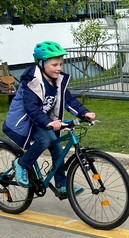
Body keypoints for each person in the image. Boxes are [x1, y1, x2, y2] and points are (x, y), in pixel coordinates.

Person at [2, 41, 96, 198]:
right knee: (44, 141)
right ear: (42, 64)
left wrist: (84, 112)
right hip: (23, 122)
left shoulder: (57, 81)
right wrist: (48, 122)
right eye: (54, 64)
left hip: (41, 120)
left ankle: (61, 185)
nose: (59, 68)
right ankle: (21, 164)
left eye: (61, 64)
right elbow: (31, 108)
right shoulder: (32, 81)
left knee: (56, 146)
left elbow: (69, 100)